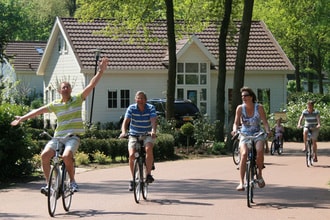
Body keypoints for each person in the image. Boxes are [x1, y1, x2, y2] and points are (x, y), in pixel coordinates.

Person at [11, 57, 109, 194]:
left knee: (67, 155)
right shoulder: (55, 104)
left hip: (72, 137)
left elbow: (91, 85)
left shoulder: (77, 99)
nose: (66, 89)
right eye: (63, 87)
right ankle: (49, 185)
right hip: (58, 137)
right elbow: (38, 111)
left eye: (68, 87)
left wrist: (100, 71)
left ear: (70, 89)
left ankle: (73, 182)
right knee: (45, 155)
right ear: (59, 91)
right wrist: (22, 118)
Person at [231, 87, 271, 191]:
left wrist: (267, 131)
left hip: (257, 133)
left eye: (246, 95)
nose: (243, 97)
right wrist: (235, 130)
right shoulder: (240, 108)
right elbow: (235, 123)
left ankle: (259, 175)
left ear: (251, 97)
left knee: (259, 150)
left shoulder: (259, 107)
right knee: (244, 154)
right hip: (245, 134)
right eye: (242, 96)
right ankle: (241, 182)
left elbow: (265, 122)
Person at [119, 91, 157, 191]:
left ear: (145, 100)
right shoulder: (131, 108)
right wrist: (123, 132)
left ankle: (148, 175)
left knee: (149, 148)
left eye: (142, 99)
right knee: (132, 155)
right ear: (135, 100)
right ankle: (133, 179)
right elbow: (126, 121)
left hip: (146, 133)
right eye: (138, 99)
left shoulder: (150, 108)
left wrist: (153, 131)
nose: (140, 101)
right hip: (133, 134)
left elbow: (153, 120)